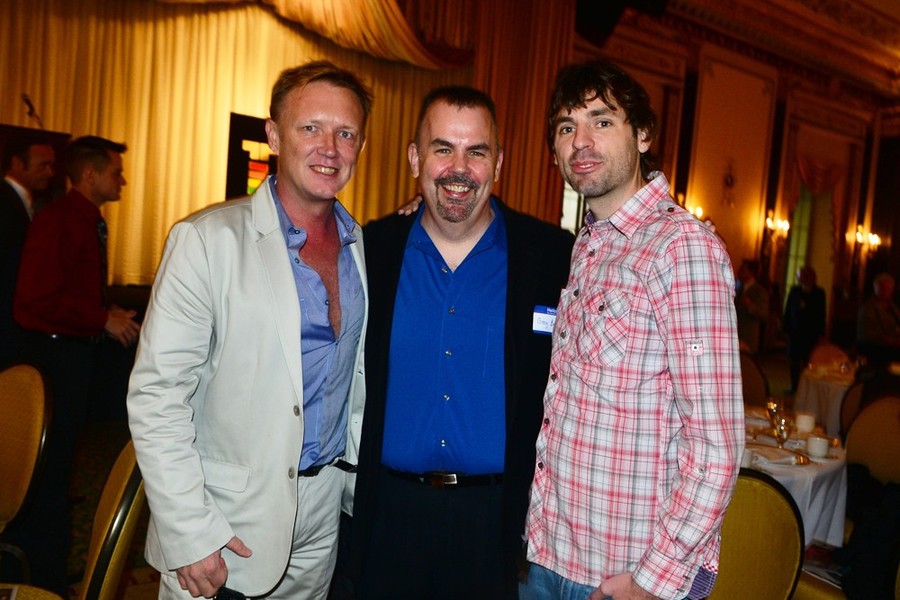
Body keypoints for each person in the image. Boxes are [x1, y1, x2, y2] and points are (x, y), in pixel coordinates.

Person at [127, 61, 371, 600]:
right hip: (224, 520)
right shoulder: (206, 240)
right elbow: (156, 397)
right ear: (274, 136)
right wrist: (189, 531)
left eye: (346, 133)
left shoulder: (362, 249)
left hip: (324, 513)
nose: (329, 147)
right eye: (311, 127)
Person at [520, 60, 743, 600]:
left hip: (622, 574)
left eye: (602, 121)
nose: (581, 141)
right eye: (567, 127)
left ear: (643, 134)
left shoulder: (681, 248)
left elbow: (716, 447)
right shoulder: (588, 245)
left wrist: (651, 581)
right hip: (549, 552)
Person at [347, 86, 573, 599]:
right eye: (443, 148)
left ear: (499, 163)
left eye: (477, 151)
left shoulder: (551, 258)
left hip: (496, 529)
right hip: (388, 520)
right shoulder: (371, 250)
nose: (459, 168)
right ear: (415, 158)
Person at [7, 135, 140, 594]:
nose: (122, 180)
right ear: (89, 174)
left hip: (72, 354)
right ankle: (37, 576)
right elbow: (33, 300)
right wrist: (99, 318)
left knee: (59, 471)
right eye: (115, 172)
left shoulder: (84, 219)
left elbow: (70, 290)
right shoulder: (59, 220)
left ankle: (45, 572)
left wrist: (105, 313)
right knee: (45, 477)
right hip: (53, 359)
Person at [0, 135, 54, 366]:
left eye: (51, 165)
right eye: (43, 165)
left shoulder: (27, 202)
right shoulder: (4, 202)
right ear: (17, 163)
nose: (51, 172)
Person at [783, 266, 826, 392]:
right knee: (794, 361)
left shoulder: (819, 293)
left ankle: (806, 388)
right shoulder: (794, 290)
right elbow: (788, 310)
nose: (798, 278)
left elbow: (821, 314)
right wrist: (785, 328)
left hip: (810, 332)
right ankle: (794, 385)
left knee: (808, 361)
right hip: (794, 332)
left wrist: (821, 332)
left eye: (800, 275)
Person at [856, 272, 900, 367]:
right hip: (874, 347)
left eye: (888, 289)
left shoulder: (893, 307)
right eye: (882, 288)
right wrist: (892, 341)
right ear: (875, 288)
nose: (886, 292)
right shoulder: (868, 308)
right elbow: (867, 334)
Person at [735, 258, 769, 355]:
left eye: (743, 269)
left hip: (748, 337)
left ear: (751, 272)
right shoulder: (737, 287)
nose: (739, 271)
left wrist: (749, 305)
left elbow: (764, 314)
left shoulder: (760, 291)